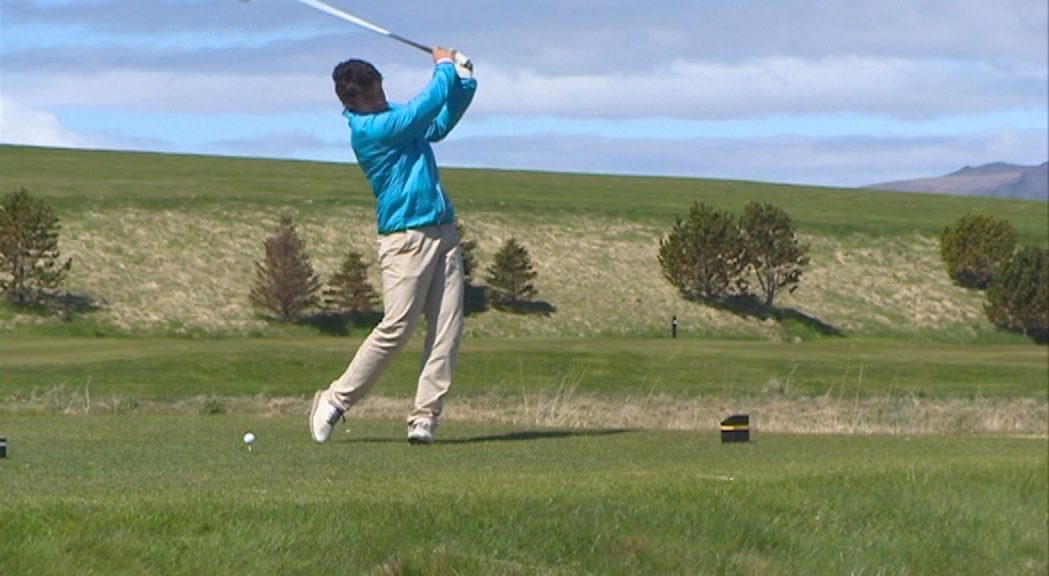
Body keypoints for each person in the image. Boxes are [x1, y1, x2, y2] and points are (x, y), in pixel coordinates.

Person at [310, 47, 477, 445]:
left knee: (446, 330)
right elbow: (422, 111)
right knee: (396, 327)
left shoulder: (389, 116)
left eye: (381, 91)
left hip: (443, 231)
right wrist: (442, 67)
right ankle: (335, 399)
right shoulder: (370, 131)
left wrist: (464, 84)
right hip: (405, 240)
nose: (380, 101)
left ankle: (424, 418)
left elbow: (436, 125)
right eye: (371, 98)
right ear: (352, 103)